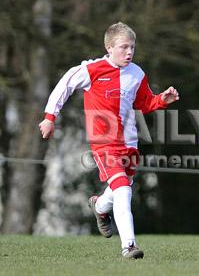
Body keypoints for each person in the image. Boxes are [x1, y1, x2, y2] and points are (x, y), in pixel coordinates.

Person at [38, 22, 179, 259]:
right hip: (104, 143)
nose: (129, 52)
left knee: (121, 187)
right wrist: (49, 117)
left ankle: (100, 207)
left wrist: (162, 100)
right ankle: (129, 246)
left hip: (130, 141)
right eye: (124, 47)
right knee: (123, 189)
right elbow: (64, 86)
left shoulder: (137, 73)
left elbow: (143, 103)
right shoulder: (91, 70)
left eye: (132, 47)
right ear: (109, 47)